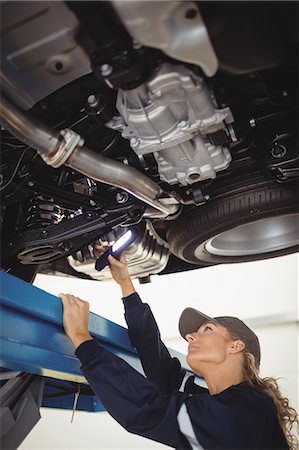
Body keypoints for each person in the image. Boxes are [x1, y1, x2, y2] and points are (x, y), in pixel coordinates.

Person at [60, 254, 298, 450]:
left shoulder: (248, 409)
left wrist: (83, 340)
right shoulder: (220, 401)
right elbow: (159, 364)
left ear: (235, 346)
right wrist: (126, 285)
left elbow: (149, 411)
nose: (191, 336)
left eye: (207, 329)